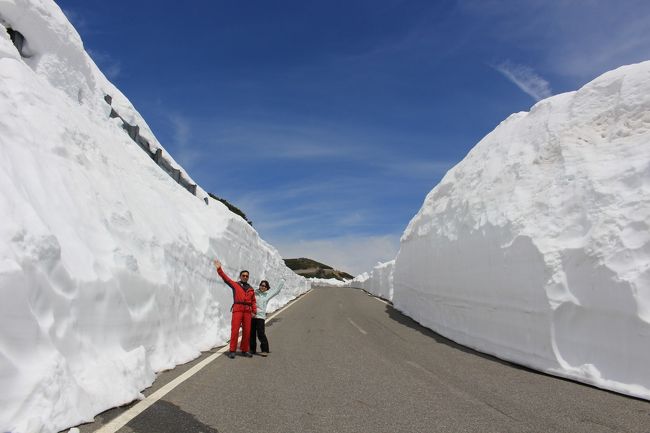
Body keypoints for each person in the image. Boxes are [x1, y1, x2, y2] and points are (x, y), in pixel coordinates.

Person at [213, 259, 256, 359]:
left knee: (247, 331)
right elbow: (226, 279)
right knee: (235, 330)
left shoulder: (251, 289)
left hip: (248, 311)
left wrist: (254, 311)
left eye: (247, 276)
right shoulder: (235, 285)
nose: (245, 277)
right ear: (240, 276)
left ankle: (245, 350)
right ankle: (232, 350)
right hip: (238, 309)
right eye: (243, 275)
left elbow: (253, 301)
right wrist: (219, 269)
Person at [250, 279, 284, 356]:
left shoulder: (267, 295)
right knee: (252, 334)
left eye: (264, 286)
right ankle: (252, 350)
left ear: (267, 288)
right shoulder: (254, 293)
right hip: (252, 316)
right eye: (261, 285)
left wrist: (282, 281)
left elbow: (276, 290)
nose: (262, 287)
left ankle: (265, 350)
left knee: (261, 333)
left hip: (261, 317)